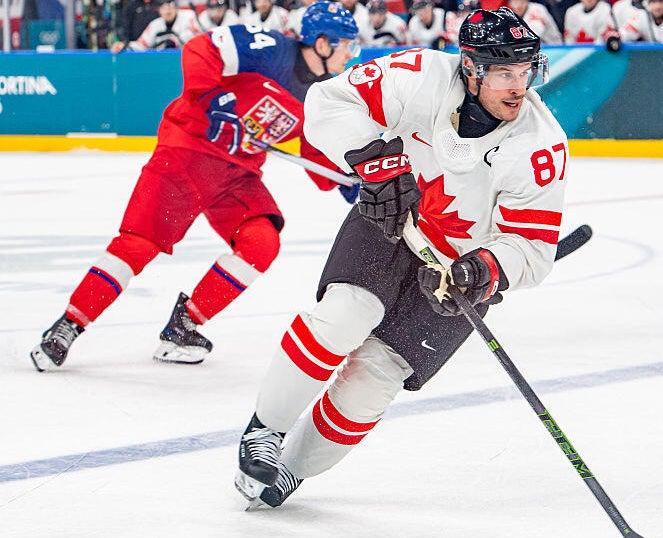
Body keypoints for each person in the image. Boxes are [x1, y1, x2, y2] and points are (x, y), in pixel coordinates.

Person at [232, 7, 568, 508]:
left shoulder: (541, 146)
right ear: (471, 68)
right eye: (504, 73)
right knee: (346, 315)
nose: (518, 87)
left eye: (525, 72)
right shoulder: (421, 75)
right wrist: (372, 156)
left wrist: (487, 269)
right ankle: (265, 431)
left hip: (455, 273)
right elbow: (328, 100)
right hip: (393, 223)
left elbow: (532, 252)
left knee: (375, 377)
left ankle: (291, 470)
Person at [29, 2, 362, 372]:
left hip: (237, 175)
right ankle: (69, 325)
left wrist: (343, 179)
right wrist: (212, 97)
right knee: (139, 244)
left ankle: (184, 326)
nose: (351, 54)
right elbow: (201, 48)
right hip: (188, 154)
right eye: (347, 44)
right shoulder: (270, 49)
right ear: (321, 43)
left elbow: (314, 151)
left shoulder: (322, 94)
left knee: (261, 242)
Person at [110, 0, 201, 52]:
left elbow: (197, 35)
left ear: (175, 7)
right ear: (159, 10)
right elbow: (142, 44)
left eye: (170, 6)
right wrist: (124, 45)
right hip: (166, 64)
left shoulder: (189, 16)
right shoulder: (155, 24)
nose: (167, 11)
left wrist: (173, 41)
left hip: (189, 59)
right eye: (163, 8)